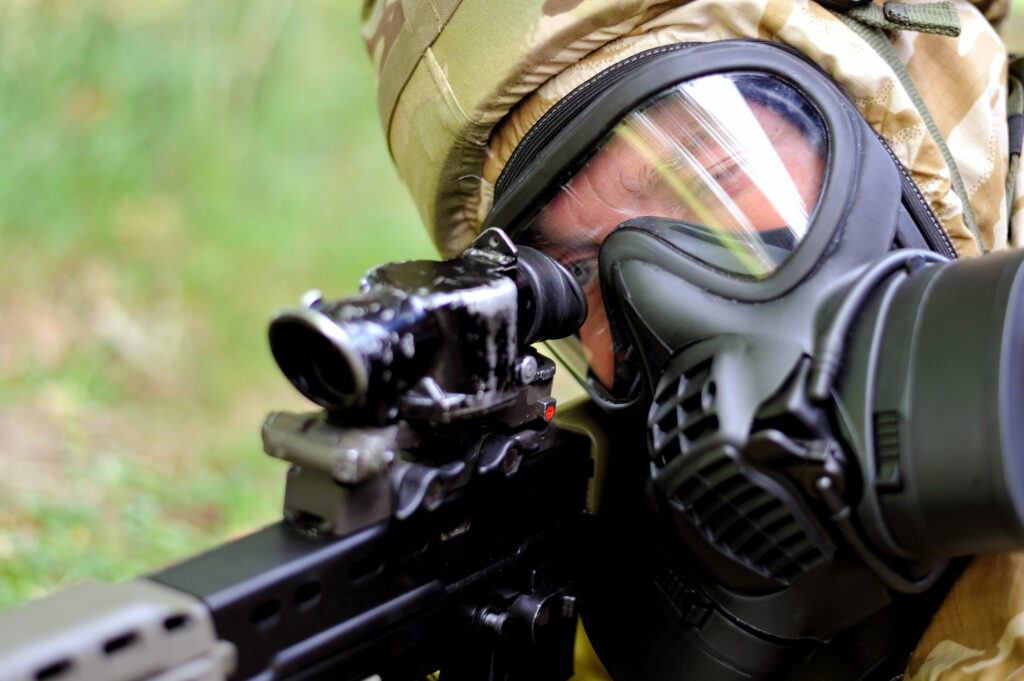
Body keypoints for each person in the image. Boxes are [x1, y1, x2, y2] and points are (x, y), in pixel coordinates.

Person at [361, 0, 1024, 678]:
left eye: (715, 175)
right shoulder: (589, 603)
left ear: (874, 91)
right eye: (581, 274)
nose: (660, 298)